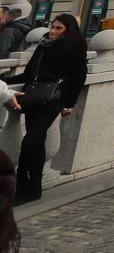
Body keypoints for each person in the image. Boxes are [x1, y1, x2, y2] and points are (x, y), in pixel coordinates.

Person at [9, 14, 88, 204]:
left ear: (67, 30)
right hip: (34, 96)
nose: (52, 31)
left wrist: (70, 103)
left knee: (30, 140)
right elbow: (29, 73)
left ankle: (22, 183)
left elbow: (79, 76)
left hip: (54, 99)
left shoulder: (75, 45)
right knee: (37, 141)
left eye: (58, 28)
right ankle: (34, 188)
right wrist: (5, 80)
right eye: (52, 27)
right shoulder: (44, 44)